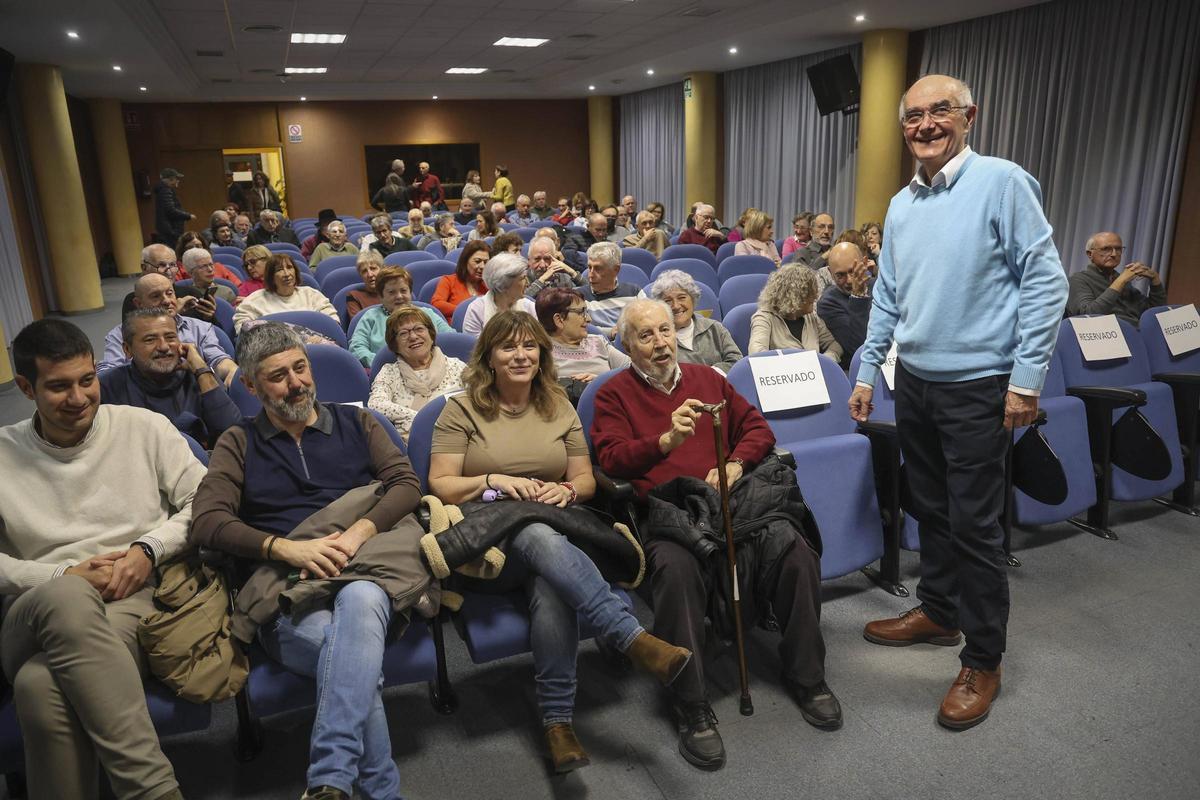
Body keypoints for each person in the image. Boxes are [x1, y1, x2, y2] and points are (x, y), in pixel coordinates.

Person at [850, 74, 1069, 731]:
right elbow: (887, 296)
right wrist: (866, 372)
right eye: (913, 116)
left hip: (980, 386)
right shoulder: (900, 205)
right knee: (931, 507)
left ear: (969, 115)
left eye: (939, 111)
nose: (925, 124)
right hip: (914, 381)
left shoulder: (1002, 182)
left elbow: (1046, 281)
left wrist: (1026, 379)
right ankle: (940, 612)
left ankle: (983, 657)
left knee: (975, 525)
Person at [428, 310, 692, 772]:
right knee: (532, 529)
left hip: (555, 538)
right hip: (489, 548)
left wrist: (566, 490)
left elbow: (586, 481)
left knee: (551, 584)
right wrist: (495, 479)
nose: (520, 355)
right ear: (489, 356)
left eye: (529, 346)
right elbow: (441, 484)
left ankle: (558, 723)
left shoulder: (558, 404)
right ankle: (629, 636)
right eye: (508, 347)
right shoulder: (460, 409)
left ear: (542, 353)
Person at [591, 299, 839, 770]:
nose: (661, 343)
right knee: (676, 571)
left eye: (665, 331)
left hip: (732, 503)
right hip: (669, 512)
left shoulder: (708, 379)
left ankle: (807, 676)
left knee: (793, 549)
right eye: (646, 335)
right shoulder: (613, 394)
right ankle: (691, 702)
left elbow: (757, 429)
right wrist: (666, 441)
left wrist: (734, 463)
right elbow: (613, 461)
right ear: (627, 344)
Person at [190, 323, 430, 800]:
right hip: (285, 590)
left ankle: (330, 780)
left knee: (360, 603)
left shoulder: (355, 422)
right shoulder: (237, 443)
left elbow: (406, 483)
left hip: (365, 566)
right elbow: (208, 523)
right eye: (278, 376)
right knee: (351, 664)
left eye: (301, 368)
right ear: (252, 387)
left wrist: (360, 530)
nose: (297, 382)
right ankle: (372, 791)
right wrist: (286, 548)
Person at [2, 318, 201, 800]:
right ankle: (153, 790)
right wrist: (61, 574)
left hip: (132, 597)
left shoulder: (144, 427)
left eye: (86, 380)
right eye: (58, 386)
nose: (78, 398)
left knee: (39, 685)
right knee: (68, 595)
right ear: (26, 388)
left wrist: (147, 549)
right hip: (33, 609)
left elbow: (207, 501)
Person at [100, 308, 241, 447]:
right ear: (127, 350)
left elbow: (234, 434)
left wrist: (201, 369)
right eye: (150, 340)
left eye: (170, 337)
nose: (163, 346)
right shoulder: (107, 386)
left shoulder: (200, 377)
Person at [103, 273, 238, 384]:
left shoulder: (199, 327)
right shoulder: (118, 335)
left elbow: (218, 359)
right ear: (138, 303)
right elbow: (110, 373)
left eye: (169, 293)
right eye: (156, 296)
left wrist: (232, 370)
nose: (167, 300)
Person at [367, 306, 466, 439]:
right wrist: (422, 420)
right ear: (394, 345)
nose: (413, 337)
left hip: (456, 438)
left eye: (419, 329)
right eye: (403, 333)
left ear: (431, 335)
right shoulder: (389, 372)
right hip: (408, 444)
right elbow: (376, 405)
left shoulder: (456, 366)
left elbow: (478, 398)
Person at [537, 287, 630, 403]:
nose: (589, 319)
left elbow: (634, 374)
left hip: (609, 405)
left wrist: (600, 382)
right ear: (559, 319)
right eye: (582, 312)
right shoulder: (540, 352)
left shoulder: (598, 342)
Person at [351, 266, 453, 366]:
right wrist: (384, 363)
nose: (399, 296)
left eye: (403, 291)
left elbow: (451, 338)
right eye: (392, 292)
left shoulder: (428, 313)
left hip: (430, 367)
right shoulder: (370, 317)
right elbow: (357, 348)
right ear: (380, 296)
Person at [645, 270, 741, 373]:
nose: (676, 306)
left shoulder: (715, 328)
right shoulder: (656, 339)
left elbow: (737, 361)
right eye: (668, 301)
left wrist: (710, 374)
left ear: (693, 299)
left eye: (682, 298)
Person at [1065, 231, 1166, 325]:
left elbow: (1154, 312)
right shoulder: (1078, 279)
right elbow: (1087, 315)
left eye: (1118, 249)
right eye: (1106, 249)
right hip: (1106, 338)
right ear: (1090, 254)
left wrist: (1155, 279)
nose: (1114, 254)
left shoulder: (1119, 279)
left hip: (1136, 334)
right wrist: (1120, 281)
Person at [748, 265, 842, 360]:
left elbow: (834, 345)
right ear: (795, 299)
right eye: (810, 301)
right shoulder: (764, 318)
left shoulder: (812, 317)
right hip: (782, 373)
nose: (814, 301)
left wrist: (825, 360)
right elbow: (756, 354)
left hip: (813, 373)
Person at [233, 254, 338, 334]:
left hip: (314, 344)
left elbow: (332, 320)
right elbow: (242, 326)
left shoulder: (311, 294)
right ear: (271, 276)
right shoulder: (255, 300)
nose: (287, 274)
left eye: (289, 267)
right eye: (279, 270)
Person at [121, 243, 213, 322]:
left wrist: (209, 317)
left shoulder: (191, 293)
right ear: (144, 268)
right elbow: (133, 336)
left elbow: (216, 333)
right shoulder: (134, 300)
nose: (169, 271)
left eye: (173, 265)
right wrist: (175, 312)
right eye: (162, 265)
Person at [815, 242, 873, 369]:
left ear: (864, 263)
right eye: (840, 275)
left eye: (853, 271)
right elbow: (858, 348)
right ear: (830, 273)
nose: (849, 281)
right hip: (857, 370)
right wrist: (859, 297)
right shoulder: (828, 303)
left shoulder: (879, 287)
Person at [462, 253, 536, 335]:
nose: (528, 283)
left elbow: (541, 342)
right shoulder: (476, 310)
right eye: (523, 278)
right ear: (505, 283)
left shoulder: (529, 307)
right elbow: (474, 346)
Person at [579, 241, 641, 333]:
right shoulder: (578, 297)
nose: (590, 275)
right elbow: (577, 328)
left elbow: (647, 322)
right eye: (589, 267)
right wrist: (610, 332)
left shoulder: (634, 292)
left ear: (616, 270)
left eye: (598, 268)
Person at [431, 240, 490, 319]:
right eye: (477, 261)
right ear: (465, 261)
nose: (482, 266)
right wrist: (466, 311)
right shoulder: (449, 281)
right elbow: (437, 304)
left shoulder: (489, 285)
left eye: (486, 262)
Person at [153, 167, 194, 244]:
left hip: (169, 229)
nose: (177, 181)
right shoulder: (165, 191)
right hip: (171, 230)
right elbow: (170, 210)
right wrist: (188, 215)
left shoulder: (163, 190)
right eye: (176, 179)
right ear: (170, 179)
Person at [346, 249, 385, 319]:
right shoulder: (354, 296)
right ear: (360, 275)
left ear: (382, 270)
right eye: (364, 271)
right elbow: (359, 324)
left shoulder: (393, 292)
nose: (370, 275)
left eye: (373, 268)